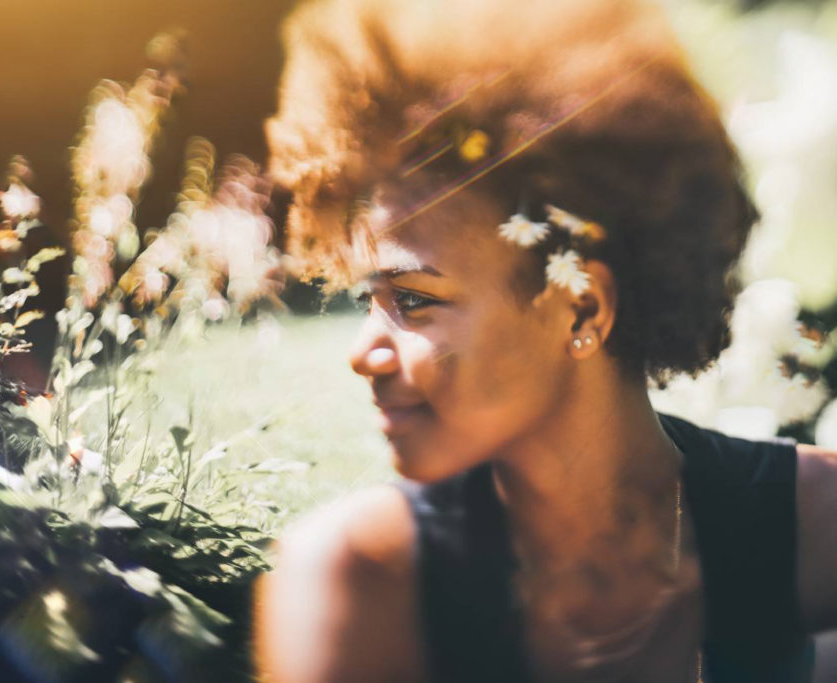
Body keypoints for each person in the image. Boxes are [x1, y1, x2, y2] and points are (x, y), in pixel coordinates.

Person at [254, 0, 837, 680]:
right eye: (368, 300)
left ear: (583, 308)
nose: (363, 353)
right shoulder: (358, 580)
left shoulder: (813, 526)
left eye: (413, 300)